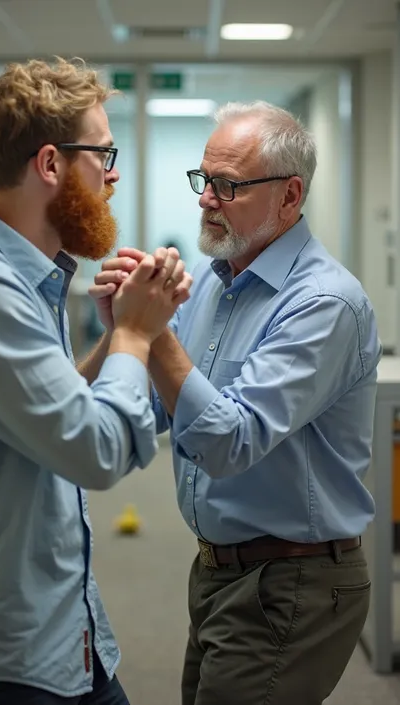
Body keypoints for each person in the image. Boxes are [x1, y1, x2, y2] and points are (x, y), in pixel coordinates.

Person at [90, 100, 382, 705]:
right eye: (204, 180)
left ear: (289, 196)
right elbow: (153, 414)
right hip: (220, 572)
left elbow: (230, 442)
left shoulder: (324, 304)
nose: (206, 199)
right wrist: (121, 332)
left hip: (291, 580)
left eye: (228, 185)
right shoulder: (214, 280)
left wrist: (155, 333)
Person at [0, 57, 192, 705]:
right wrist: (134, 333)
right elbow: (93, 449)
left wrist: (109, 339)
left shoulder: (16, 279)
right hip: (1, 663)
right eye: (103, 153)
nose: (114, 172)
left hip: (61, 635)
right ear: (50, 164)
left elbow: (38, 415)